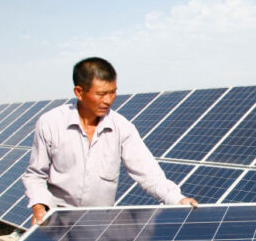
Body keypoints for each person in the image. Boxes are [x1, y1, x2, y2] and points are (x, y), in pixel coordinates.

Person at [23, 57, 197, 226]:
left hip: (100, 223)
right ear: (79, 92)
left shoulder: (122, 127)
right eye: (101, 94)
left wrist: (177, 199)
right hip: (58, 220)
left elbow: (148, 173)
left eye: (112, 92)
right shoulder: (51, 123)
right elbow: (35, 175)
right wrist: (40, 206)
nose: (108, 100)